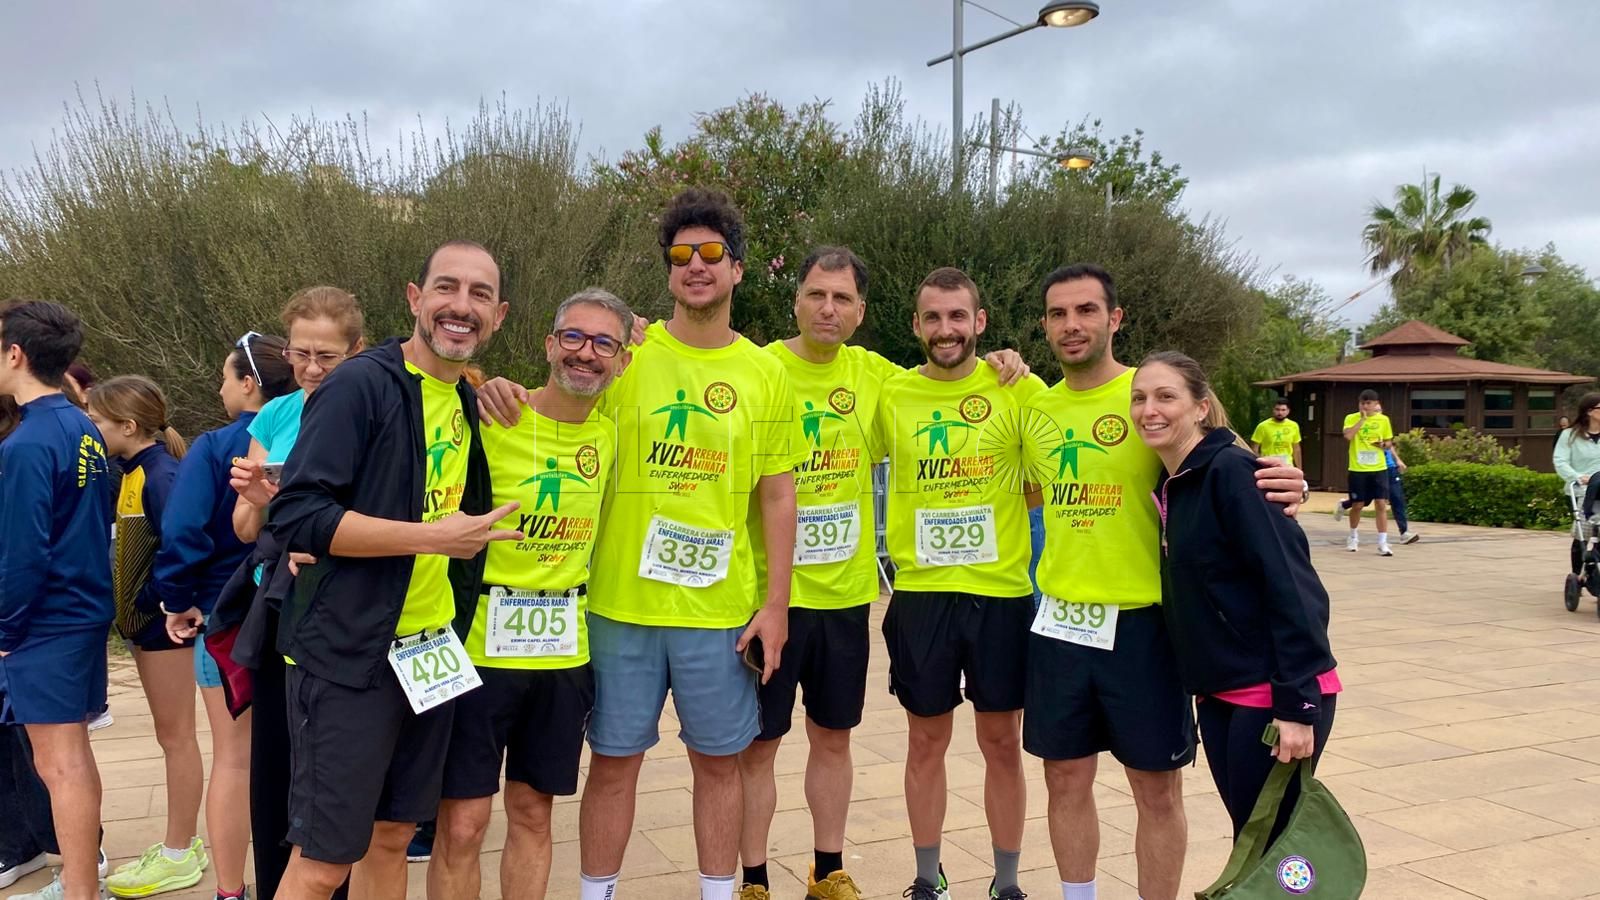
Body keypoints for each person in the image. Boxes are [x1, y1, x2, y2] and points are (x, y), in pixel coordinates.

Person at [478, 188, 805, 900]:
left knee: (718, 764)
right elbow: (560, 400)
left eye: (712, 253)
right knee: (614, 763)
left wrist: (776, 605)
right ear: (668, 270)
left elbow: (779, 495)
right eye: (681, 255)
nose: (696, 265)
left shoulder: (766, 372)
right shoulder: (629, 356)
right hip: (618, 606)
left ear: (737, 269)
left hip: (717, 611)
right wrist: (498, 390)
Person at [736, 248, 1030, 900]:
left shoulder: (879, 378)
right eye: (817, 294)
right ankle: (753, 881)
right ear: (796, 300)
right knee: (758, 747)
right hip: (768, 595)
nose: (828, 308)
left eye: (842, 298)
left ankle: (828, 871)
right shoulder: (758, 368)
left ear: (862, 311)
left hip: (847, 597)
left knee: (833, 739)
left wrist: (1006, 361)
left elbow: (952, 388)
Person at [1019, 265, 1305, 900]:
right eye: (1059, 313)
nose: (1072, 325)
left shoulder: (1149, 397)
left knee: (1154, 788)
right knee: (1063, 779)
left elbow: (1224, 461)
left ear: (1114, 318)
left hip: (1145, 626)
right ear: (1044, 324)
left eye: (1087, 310)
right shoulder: (1034, 406)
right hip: (1059, 624)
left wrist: (1288, 481)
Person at [266, 241, 514, 900]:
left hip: (430, 652)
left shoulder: (463, 398)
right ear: (414, 298)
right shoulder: (359, 385)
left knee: (394, 836)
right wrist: (434, 539)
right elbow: (297, 515)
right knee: (323, 863)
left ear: (498, 315)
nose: (461, 306)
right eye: (446, 287)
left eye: (480, 294)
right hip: (348, 659)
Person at [426, 289, 632, 900]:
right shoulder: (491, 418)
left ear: (622, 361)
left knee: (533, 814)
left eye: (604, 343)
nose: (586, 353)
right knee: (462, 824)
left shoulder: (611, 435)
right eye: (573, 336)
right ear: (548, 344)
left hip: (562, 660)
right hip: (476, 652)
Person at [871, 267, 1046, 900]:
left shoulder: (1017, 389)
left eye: (957, 316)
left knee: (1002, 741)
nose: (946, 329)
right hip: (921, 598)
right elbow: (839, 459)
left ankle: (1007, 884)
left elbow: (1044, 483)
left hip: (1000, 596)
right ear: (916, 326)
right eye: (933, 318)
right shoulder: (892, 394)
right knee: (925, 741)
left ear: (980, 322)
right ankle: (928, 879)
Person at [1131, 351, 1339, 840]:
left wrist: (1296, 705)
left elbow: (1293, 587)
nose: (1149, 410)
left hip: (1272, 690)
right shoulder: (1176, 479)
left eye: (1166, 396)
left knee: (1276, 845)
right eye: (1139, 398)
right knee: (1253, 838)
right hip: (1222, 688)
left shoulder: (1232, 473)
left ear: (1201, 407)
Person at [139, 334, 295, 900]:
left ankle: (231, 890)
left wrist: (176, 598)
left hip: (222, 618)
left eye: (226, 378)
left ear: (249, 383)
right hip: (294, 608)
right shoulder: (315, 428)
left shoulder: (213, 447)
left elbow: (181, 528)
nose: (220, 388)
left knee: (234, 759)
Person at [225, 286, 364, 900]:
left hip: (337, 610)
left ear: (355, 351)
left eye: (326, 356)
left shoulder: (372, 408)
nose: (310, 368)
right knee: (275, 768)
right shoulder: (277, 414)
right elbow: (244, 527)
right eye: (300, 354)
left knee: (328, 776)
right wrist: (260, 499)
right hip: (278, 604)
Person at [0, 299, 114, 900]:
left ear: (16, 354)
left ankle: (80, 891)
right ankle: (82, 885)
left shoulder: (25, 445)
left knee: (58, 764)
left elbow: (23, 553)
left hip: (47, 621)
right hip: (82, 610)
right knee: (73, 756)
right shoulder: (81, 425)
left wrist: (4, 630)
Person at [85, 377, 210, 891]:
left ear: (128, 425)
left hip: (163, 629)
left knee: (177, 737)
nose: (91, 428)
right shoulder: (133, 472)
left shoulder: (162, 475)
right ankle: (181, 841)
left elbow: (187, 544)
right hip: (145, 628)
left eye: (97, 420)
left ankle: (180, 851)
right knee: (170, 735)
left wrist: (155, 600)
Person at [1341, 390, 1395, 556]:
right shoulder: (1351, 418)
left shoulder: (1383, 420)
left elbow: (1389, 442)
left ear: (1375, 404)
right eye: (1362, 403)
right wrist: (1362, 420)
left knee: (1380, 504)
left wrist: (1383, 445)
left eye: (1368, 403)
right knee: (1358, 505)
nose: (1365, 406)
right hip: (1358, 468)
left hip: (1378, 468)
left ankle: (1382, 542)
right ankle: (1353, 536)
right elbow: (1348, 436)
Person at [1554, 393, 1600, 577]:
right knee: (1584, 533)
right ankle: (1577, 574)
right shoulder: (1569, 435)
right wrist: (1577, 476)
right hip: (1581, 490)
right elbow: (1560, 461)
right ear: (1589, 411)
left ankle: (1595, 569)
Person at [1248, 398, 1302, 468]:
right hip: (1268, 464)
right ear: (1273, 410)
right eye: (1277, 409)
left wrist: (1299, 468)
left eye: (1283, 410)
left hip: (1287, 464)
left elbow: (1296, 449)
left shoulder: (1293, 426)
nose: (1280, 413)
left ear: (1288, 411)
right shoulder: (1263, 426)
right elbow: (1254, 448)